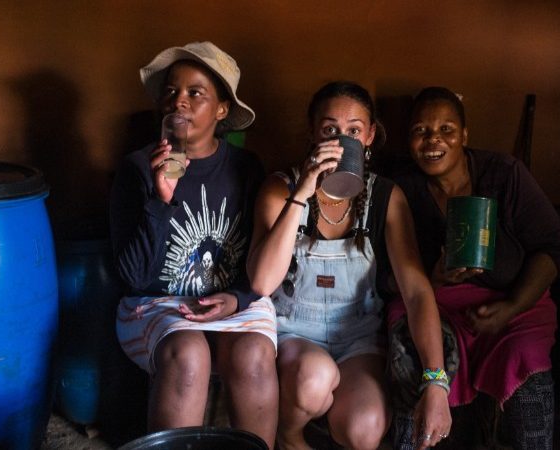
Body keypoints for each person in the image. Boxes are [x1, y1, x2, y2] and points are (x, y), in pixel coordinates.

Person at [246, 81, 452, 450]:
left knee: (366, 427)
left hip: (358, 335)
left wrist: (436, 380)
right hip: (295, 333)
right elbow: (261, 282)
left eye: (354, 131)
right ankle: (289, 435)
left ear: (369, 136)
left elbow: (417, 291)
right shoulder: (281, 188)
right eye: (330, 131)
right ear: (313, 132)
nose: (342, 141)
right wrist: (304, 191)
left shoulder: (386, 196)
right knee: (314, 379)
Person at [110, 42, 278, 448]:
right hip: (156, 302)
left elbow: (261, 259)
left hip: (233, 299)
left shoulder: (246, 169)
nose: (177, 102)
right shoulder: (136, 169)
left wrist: (237, 298)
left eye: (195, 92)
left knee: (253, 353)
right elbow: (133, 277)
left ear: (222, 110)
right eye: (170, 91)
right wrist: (160, 199)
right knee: (188, 353)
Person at [386, 87, 560, 450]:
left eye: (446, 130)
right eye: (421, 131)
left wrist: (513, 306)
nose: (433, 140)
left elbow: (553, 249)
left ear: (464, 136)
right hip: (431, 301)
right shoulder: (400, 189)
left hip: (512, 303)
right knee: (411, 358)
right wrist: (435, 278)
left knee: (525, 359)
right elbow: (389, 280)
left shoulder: (503, 175)